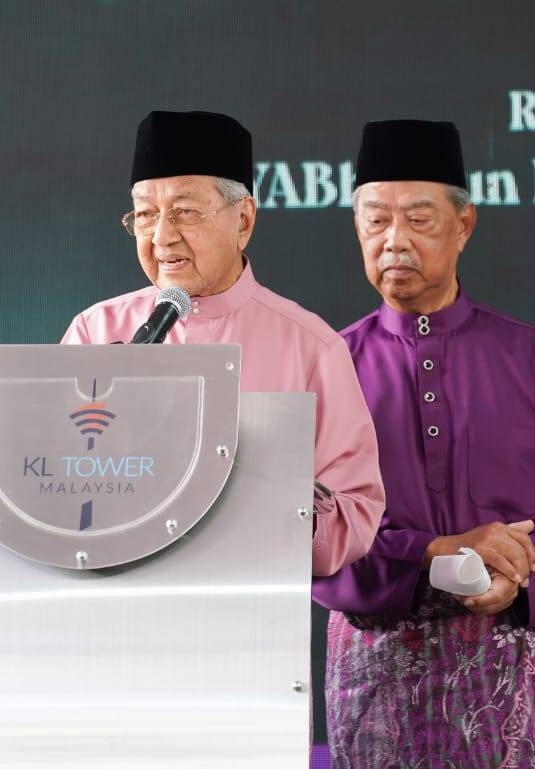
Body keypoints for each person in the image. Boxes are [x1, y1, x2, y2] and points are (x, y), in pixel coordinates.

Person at [313, 119, 535, 768]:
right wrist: (431, 553)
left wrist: (523, 570)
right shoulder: (327, 367)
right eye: (375, 220)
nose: (394, 240)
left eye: (419, 219)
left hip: (519, 664)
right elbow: (305, 527)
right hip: (380, 672)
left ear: (464, 226)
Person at [61, 110, 384, 576]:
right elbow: (55, 481)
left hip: (248, 615)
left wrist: (265, 499)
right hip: (113, 609)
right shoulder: (95, 331)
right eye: (146, 215)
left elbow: (357, 514)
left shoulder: (311, 346)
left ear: (244, 220)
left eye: (185, 212)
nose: (161, 236)